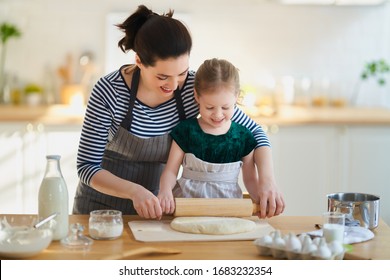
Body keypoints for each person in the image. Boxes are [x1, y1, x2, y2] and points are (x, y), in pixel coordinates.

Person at [72, 4, 284, 219]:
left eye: (181, 73)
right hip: (99, 209)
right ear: (139, 61)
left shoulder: (194, 87)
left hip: (157, 208)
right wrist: (134, 191)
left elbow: (256, 134)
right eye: (162, 77)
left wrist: (267, 182)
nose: (173, 86)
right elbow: (87, 167)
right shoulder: (109, 91)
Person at [158, 58, 261, 215]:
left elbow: (250, 180)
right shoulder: (186, 131)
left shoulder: (243, 137)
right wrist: (165, 191)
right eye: (210, 107)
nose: (218, 114)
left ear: (236, 97)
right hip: (187, 209)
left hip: (229, 212)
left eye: (226, 107)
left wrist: (261, 198)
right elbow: (171, 171)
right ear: (197, 96)